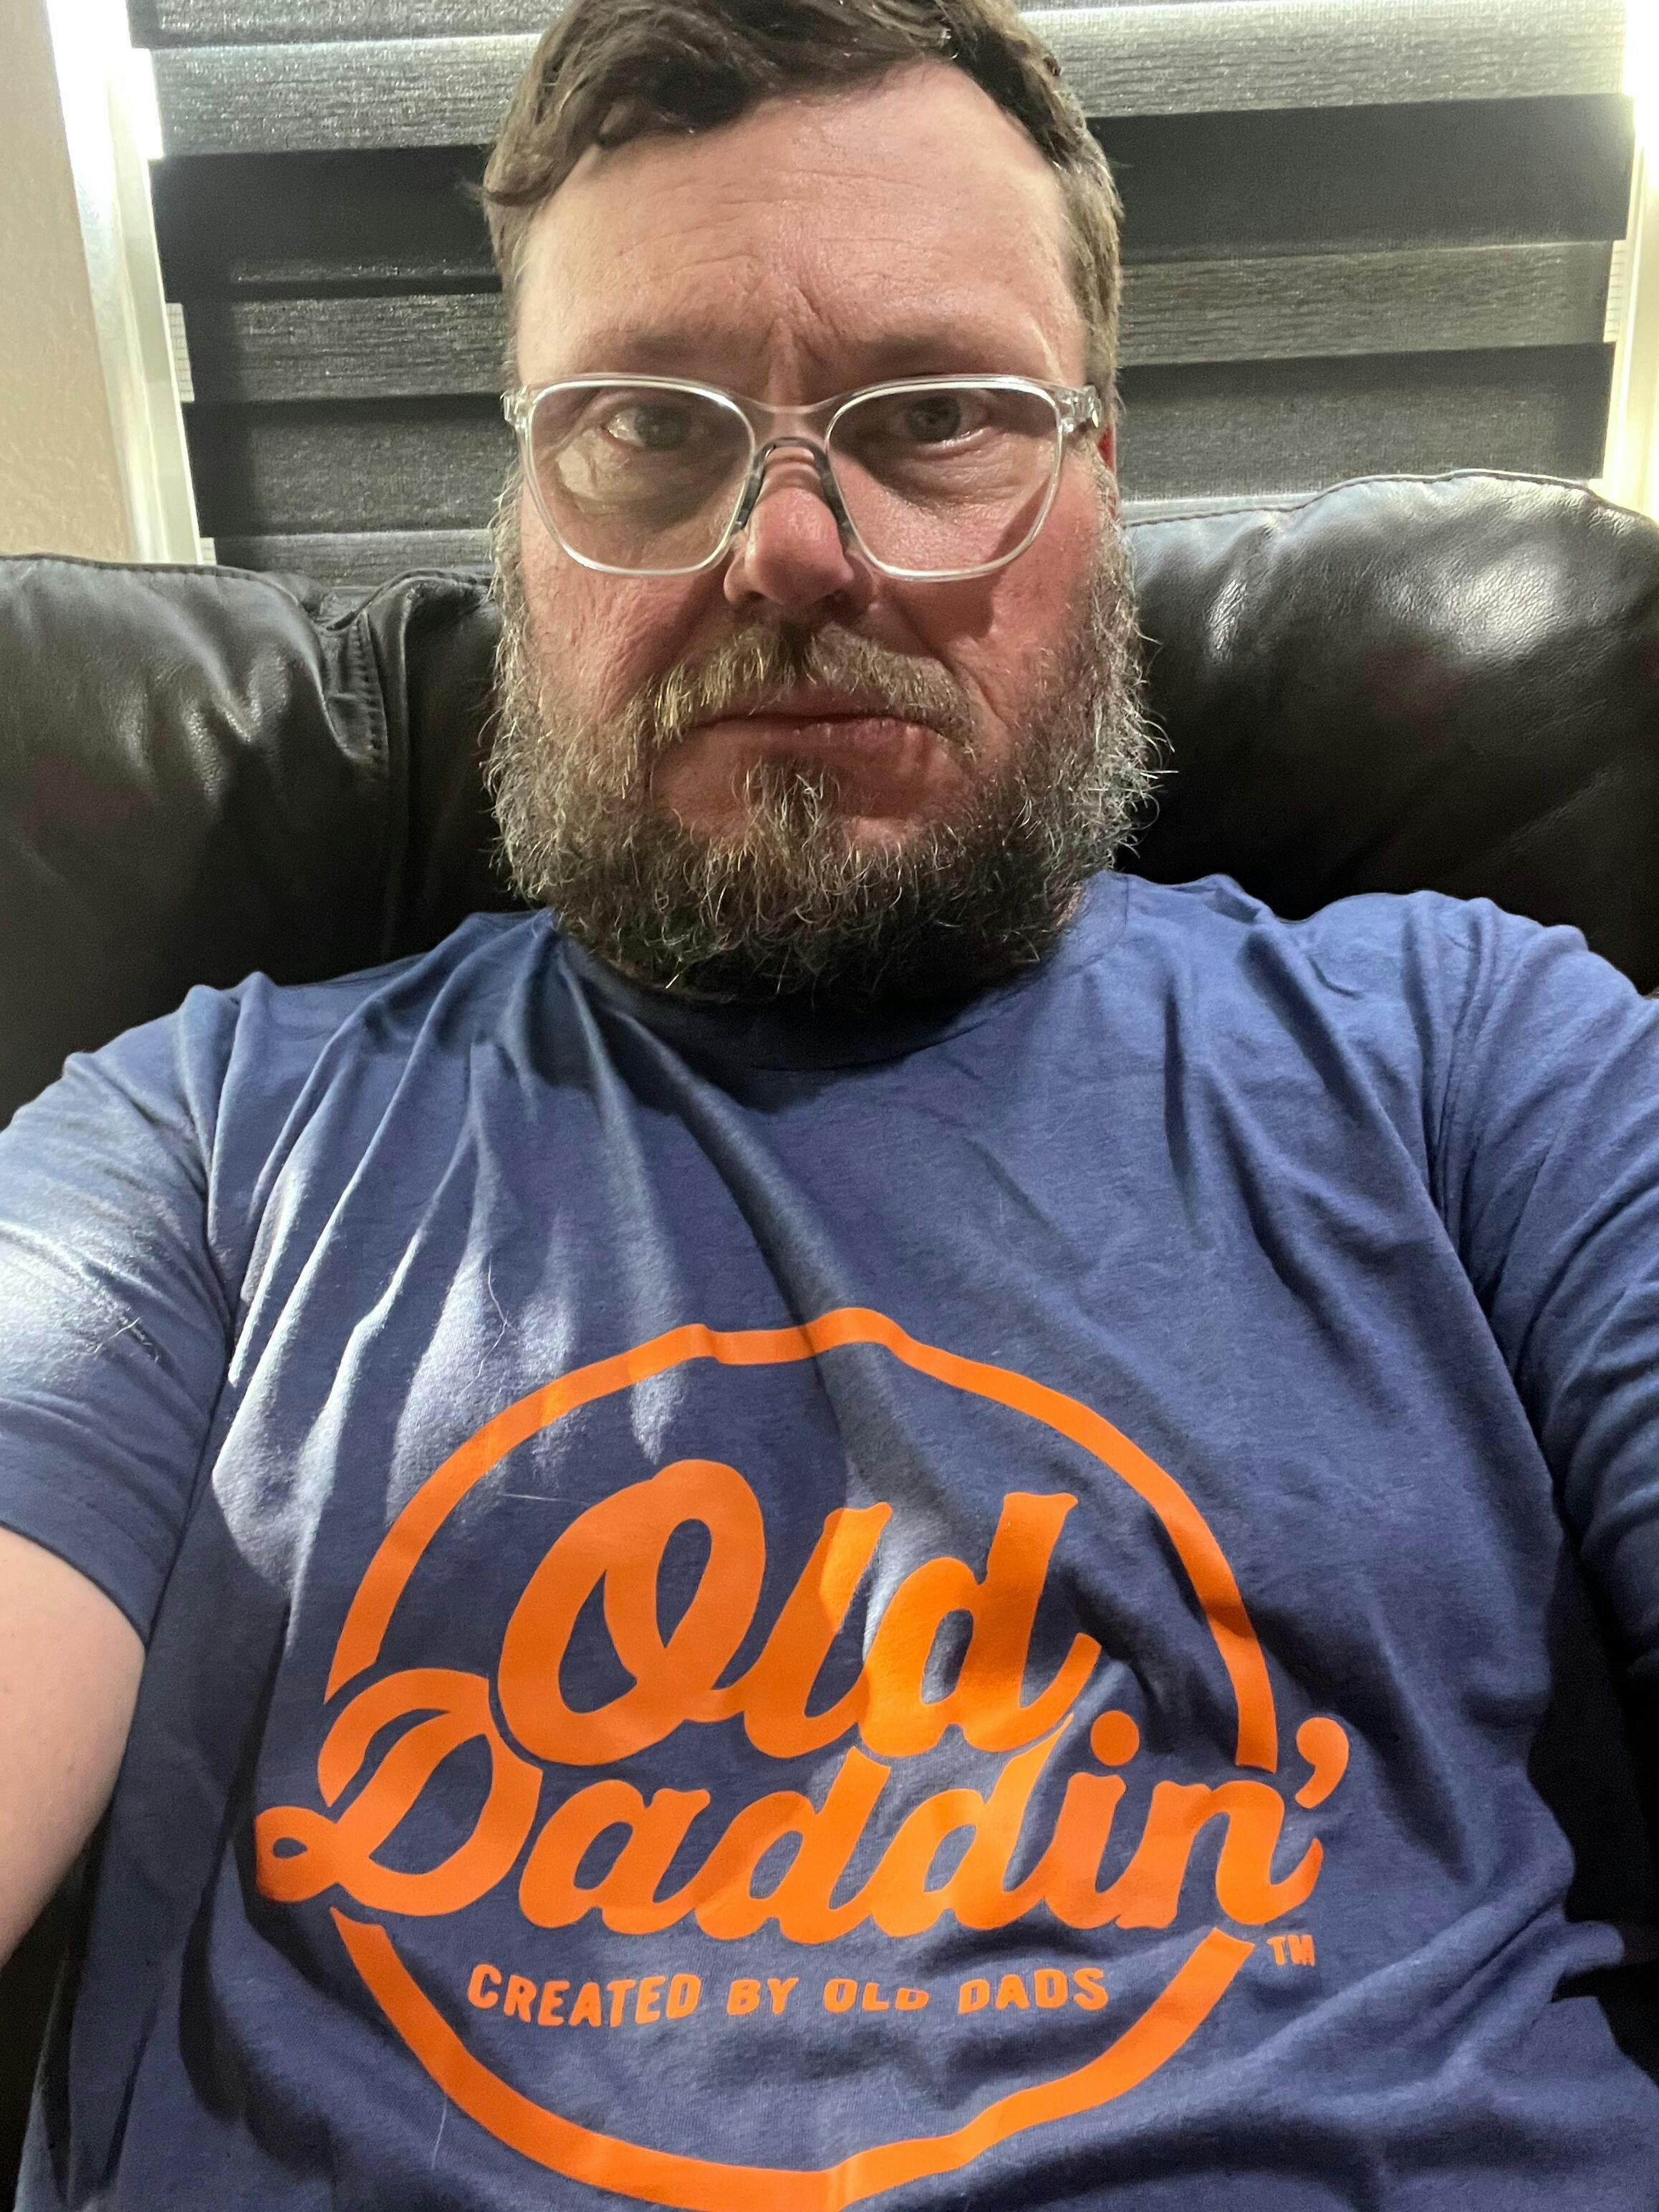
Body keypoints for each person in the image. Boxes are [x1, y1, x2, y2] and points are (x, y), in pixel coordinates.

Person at [3, 0, 1659, 2204]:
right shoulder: (199, 1144)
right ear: (517, 514)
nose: (787, 548)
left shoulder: (1483, 1060)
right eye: (640, 425)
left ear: (1098, 480)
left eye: (938, 414)